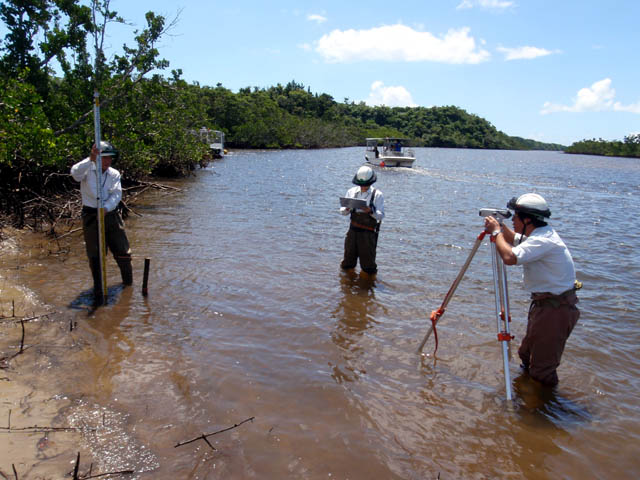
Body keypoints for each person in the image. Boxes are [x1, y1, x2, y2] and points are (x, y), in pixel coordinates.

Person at [484, 193, 580, 387]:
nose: (514, 222)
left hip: (555, 310)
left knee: (542, 369)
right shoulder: (539, 234)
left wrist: (496, 233)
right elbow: (516, 239)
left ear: (527, 219)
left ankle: (545, 408)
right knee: (525, 354)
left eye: (516, 217)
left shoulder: (543, 241)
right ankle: (526, 395)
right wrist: (501, 227)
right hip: (546, 305)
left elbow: (510, 257)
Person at [71, 141, 132, 305]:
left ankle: (128, 286)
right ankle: (99, 290)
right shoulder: (87, 170)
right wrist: (90, 159)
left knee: (123, 252)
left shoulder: (114, 174)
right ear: (97, 157)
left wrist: (106, 208)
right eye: (104, 158)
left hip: (110, 214)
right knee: (96, 256)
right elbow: (75, 173)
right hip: (91, 216)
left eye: (110, 158)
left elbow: (116, 195)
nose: (107, 161)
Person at [340, 166, 384, 275]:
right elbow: (342, 212)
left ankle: (369, 286)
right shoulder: (351, 192)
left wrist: (370, 211)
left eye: (366, 184)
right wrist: (346, 209)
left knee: (368, 266)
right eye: (361, 184)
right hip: (352, 232)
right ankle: (347, 285)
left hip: (368, 234)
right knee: (347, 262)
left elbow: (381, 215)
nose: (363, 187)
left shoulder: (377, 195)